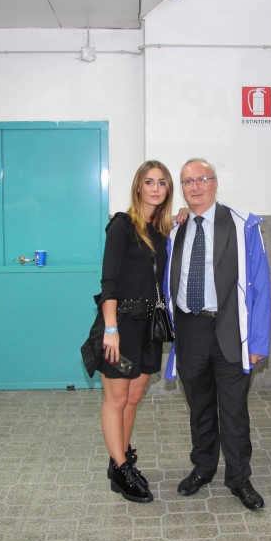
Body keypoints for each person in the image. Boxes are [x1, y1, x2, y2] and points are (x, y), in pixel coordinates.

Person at [164, 158, 271, 511]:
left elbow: (261, 286)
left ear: (215, 183)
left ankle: (239, 478)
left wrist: (257, 342)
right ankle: (204, 466)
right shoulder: (176, 229)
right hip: (190, 328)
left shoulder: (242, 225)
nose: (195, 187)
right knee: (199, 406)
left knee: (234, 410)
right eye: (187, 181)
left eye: (202, 179)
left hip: (230, 329)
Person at [97, 160, 174, 503]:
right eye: (149, 182)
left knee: (133, 396)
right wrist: (110, 328)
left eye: (162, 183)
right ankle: (121, 468)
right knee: (116, 399)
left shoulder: (160, 231)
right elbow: (109, 280)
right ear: (138, 186)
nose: (155, 188)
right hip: (122, 324)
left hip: (149, 327)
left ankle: (121, 457)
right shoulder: (122, 226)